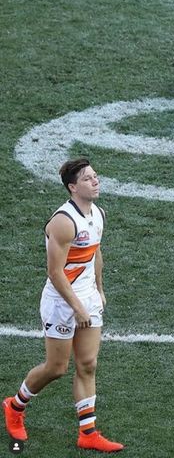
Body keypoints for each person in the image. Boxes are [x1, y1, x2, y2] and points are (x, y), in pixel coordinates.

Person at [2, 159, 124, 453]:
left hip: (88, 298)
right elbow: (55, 273)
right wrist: (78, 307)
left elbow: (95, 253)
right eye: (88, 179)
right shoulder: (63, 221)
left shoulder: (99, 214)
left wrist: (99, 290)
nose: (95, 181)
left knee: (88, 364)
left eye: (96, 176)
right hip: (61, 302)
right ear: (73, 187)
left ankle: (88, 433)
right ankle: (14, 406)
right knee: (57, 367)